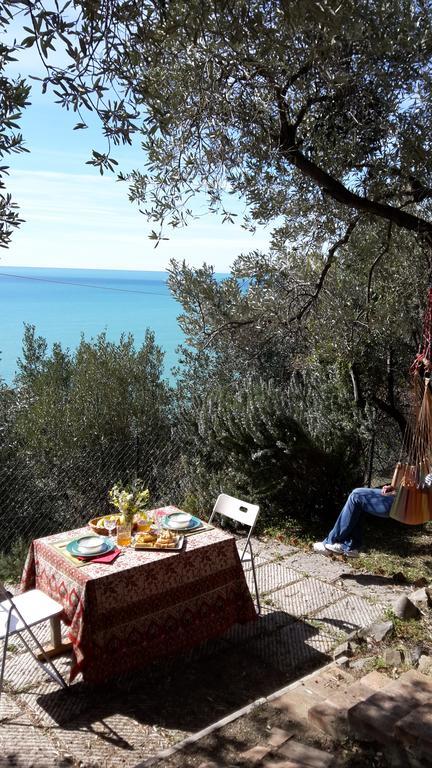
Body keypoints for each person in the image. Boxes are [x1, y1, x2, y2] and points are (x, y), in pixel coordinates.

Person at [312, 484, 396, 558]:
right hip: (402, 501)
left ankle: (332, 542)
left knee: (356, 495)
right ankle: (350, 546)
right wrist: (394, 487)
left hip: (401, 504)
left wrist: (397, 490)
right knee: (361, 500)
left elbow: (408, 484)